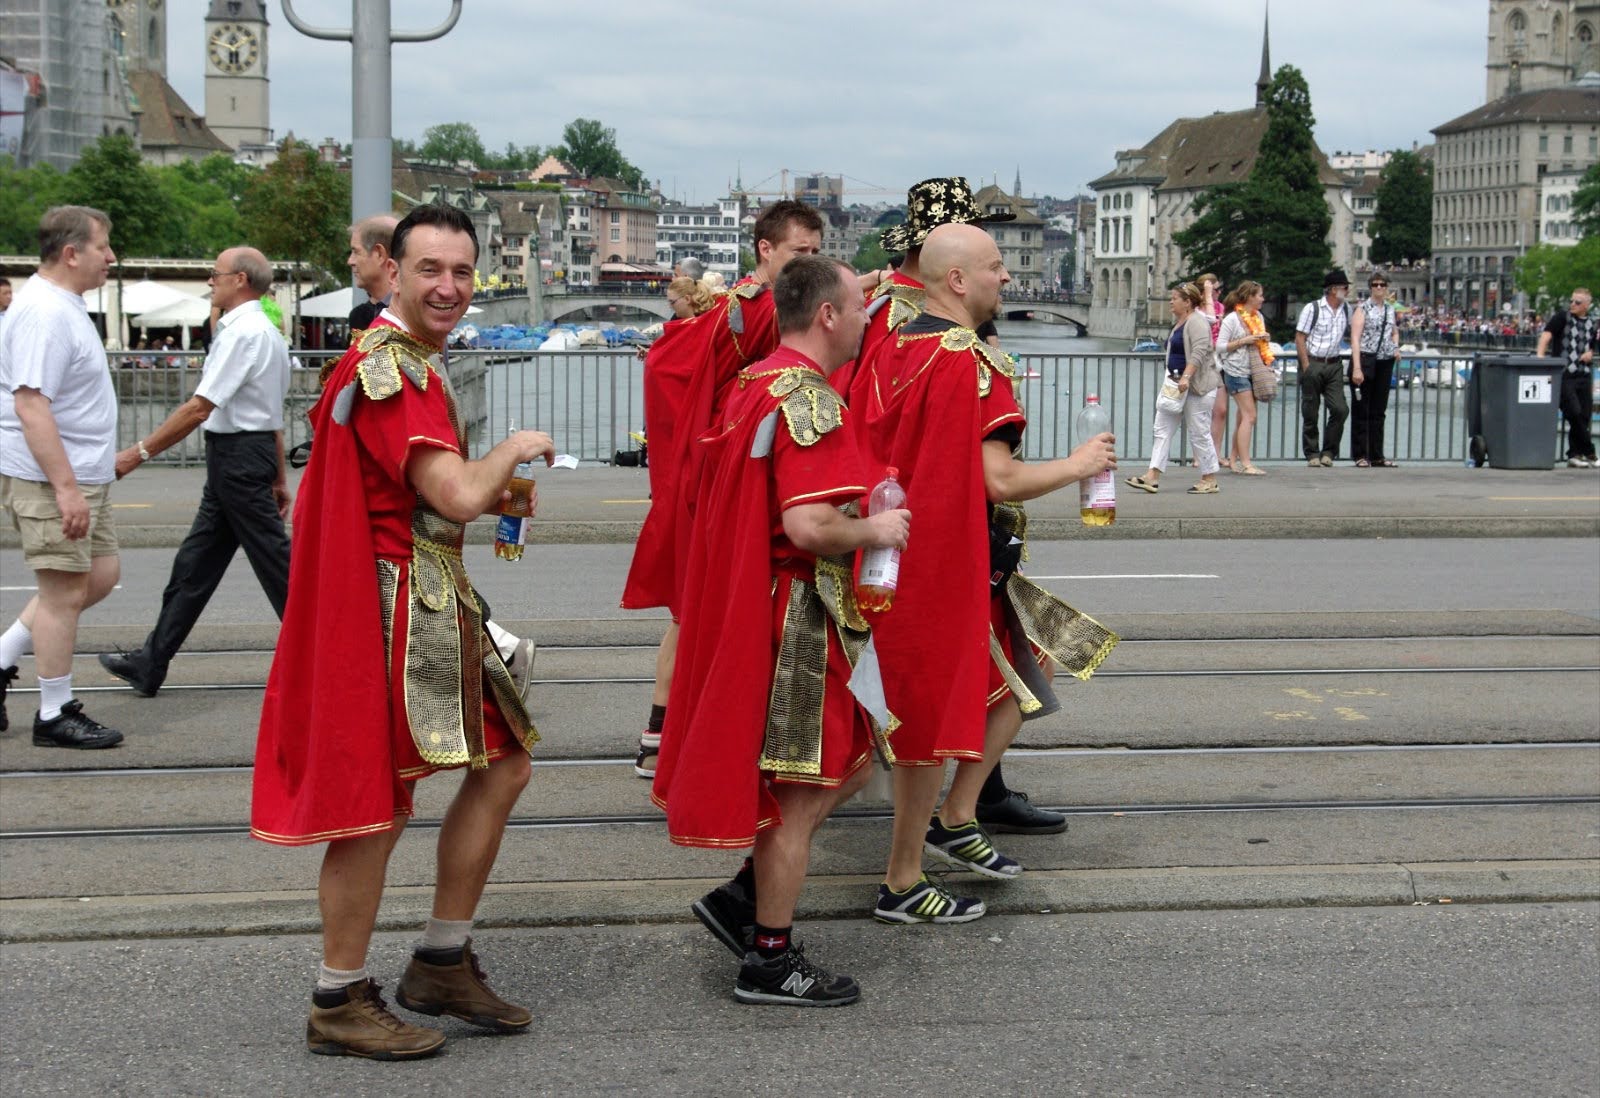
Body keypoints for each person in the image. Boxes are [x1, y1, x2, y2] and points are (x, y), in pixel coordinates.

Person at [251, 204, 556, 1060]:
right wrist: (511, 452)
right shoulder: (395, 368)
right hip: (397, 607)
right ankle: (339, 996)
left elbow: (427, 494)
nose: (449, 287)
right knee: (375, 804)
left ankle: (441, 960)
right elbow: (453, 493)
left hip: (425, 596)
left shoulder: (400, 358)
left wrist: (484, 488)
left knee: (502, 764)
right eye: (431, 269)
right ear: (391, 270)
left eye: (462, 271)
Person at [655, 254, 909, 1005]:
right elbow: (808, 525)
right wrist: (877, 528)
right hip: (797, 616)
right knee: (803, 791)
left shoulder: (753, 382)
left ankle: (747, 893)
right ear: (827, 315)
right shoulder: (812, 400)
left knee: (851, 766)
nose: (867, 320)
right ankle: (769, 956)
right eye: (859, 307)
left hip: (762, 604)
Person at [849, 223, 1118, 923]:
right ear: (958, 280)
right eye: (997, 267)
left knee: (1016, 669)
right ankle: (902, 880)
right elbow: (997, 478)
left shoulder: (885, 344)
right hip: (942, 561)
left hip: (879, 551)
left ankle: (955, 818)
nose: (1008, 279)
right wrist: (1079, 465)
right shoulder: (973, 360)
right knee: (926, 721)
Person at [845, 176, 1062, 837]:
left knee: (990, 659)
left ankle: (963, 798)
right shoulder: (937, 332)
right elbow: (974, 460)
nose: (1003, 273)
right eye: (990, 259)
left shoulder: (890, 313)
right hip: (937, 522)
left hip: (903, 512)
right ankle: (956, 809)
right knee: (985, 661)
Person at [621, 200, 824, 780]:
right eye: (800, 252)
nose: (809, 262)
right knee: (703, 609)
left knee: (697, 607)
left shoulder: (736, 304)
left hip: (714, 470)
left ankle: (666, 732)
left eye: (816, 253)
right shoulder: (757, 308)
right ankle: (679, 735)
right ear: (766, 249)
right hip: (728, 478)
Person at [96, 248, 291, 697]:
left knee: (277, 566)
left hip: (238, 458)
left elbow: (199, 407)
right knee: (196, 565)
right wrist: (278, 476)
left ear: (240, 279)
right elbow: (271, 414)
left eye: (216, 274)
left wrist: (137, 453)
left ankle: (331, 657)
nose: (210, 281)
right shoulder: (264, 333)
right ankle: (151, 662)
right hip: (243, 456)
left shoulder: (244, 334)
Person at [0, 206, 124, 748]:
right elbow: (31, 406)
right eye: (103, 247)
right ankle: (54, 712)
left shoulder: (62, 304)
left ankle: (2, 657)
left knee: (99, 575)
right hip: (54, 478)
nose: (111, 257)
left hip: (80, 475)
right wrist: (66, 488)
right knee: (62, 593)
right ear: (71, 254)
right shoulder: (44, 312)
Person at [1125, 283, 1222, 495]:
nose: (1171, 301)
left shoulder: (1197, 321)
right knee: (1161, 428)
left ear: (1187, 302)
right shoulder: (1180, 322)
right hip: (1175, 385)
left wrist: (1186, 376)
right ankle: (1152, 476)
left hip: (1197, 387)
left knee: (1199, 432)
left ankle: (1209, 478)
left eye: (1175, 298)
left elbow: (1199, 352)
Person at [1213, 280, 1270, 476]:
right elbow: (1219, 346)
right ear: (1249, 297)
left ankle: (1234, 459)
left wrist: (1264, 340)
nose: (1262, 299)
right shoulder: (1232, 319)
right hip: (1236, 371)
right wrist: (1243, 341)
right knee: (1250, 415)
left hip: (1253, 370)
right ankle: (1246, 463)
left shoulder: (1259, 317)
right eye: (1259, 295)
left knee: (1242, 418)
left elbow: (1260, 344)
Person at [1295, 270, 1352, 467]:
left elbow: (1355, 329)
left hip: (1334, 363)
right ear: (1334, 289)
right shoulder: (1312, 308)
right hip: (1313, 361)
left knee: (1340, 409)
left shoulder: (1347, 309)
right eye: (1345, 287)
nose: (1347, 290)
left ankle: (1329, 451)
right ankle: (1312, 452)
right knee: (1310, 411)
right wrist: (1306, 365)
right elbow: (1300, 337)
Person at [1535, 287, 1597, 468]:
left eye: (1577, 302)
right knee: (1574, 412)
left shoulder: (1593, 323)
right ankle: (1591, 452)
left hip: (1584, 373)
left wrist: (1590, 353)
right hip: (1564, 374)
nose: (1573, 304)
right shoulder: (1562, 317)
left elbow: (1592, 346)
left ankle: (1575, 455)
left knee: (1584, 416)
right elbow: (1546, 335)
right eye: (1571, 301)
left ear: (1587, 305)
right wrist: (1540, 356)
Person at [1349, 273, 1401, 468]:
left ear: (1387, 287)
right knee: (1362, 409)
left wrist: (1395, 348)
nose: (1379, 288)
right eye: (1375, 285)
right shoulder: (1362, 309)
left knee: (1379, 410)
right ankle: (1360, 454)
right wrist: (1357, 367)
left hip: (1385, 361)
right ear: (1370, 287)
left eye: (1382, 285)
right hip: (1365, 359)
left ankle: (1377, 455)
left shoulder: (1390, 309)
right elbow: (1355, 338)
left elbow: (1394, 332)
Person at [346, 214, 398, 342]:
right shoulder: (359, 317)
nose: (350, 261)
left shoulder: (415, 313)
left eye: (356, 252)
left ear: (379, 254)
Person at [1198, 273, 1229, 469]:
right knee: (1200, 412)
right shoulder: (1195, 309)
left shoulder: (1220, 307)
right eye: (1214, 290)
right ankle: (1200, 455)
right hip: (1202, 362)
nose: (1218, 293)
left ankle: (1215, 453)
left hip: (1218, 361)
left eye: (1219, 289)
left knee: (1221, 410)